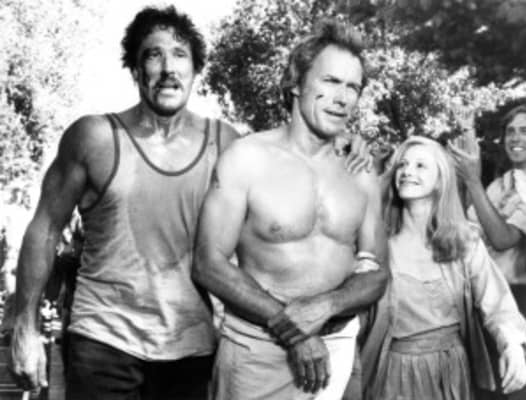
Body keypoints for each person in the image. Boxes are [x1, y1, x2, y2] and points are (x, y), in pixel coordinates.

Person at [8, 6, 240, 400]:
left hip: (191, 347)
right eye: (154, 55)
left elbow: (267, 222)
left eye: (179, 55)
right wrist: (25, 329)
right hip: (103, 342)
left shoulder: (225, 144)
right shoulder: (94, 137)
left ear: (195, 69)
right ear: (135, 69)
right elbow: (45, 229)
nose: (168, 68)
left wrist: (340, 151)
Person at [192, 20, 388, 400]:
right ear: (296, 82)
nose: (343, 98)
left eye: (353, 87)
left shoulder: (360, 171)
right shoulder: (247, 158)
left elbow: (378, 275)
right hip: (261, 349)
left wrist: (329, 304)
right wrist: (292, 329)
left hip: (339, 349)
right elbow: (208, 264)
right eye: (331, 81)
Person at [362, 135, 526, 400]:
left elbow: (497, 304)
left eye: (420, 165)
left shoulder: (465, 241)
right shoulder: (377, 244)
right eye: (402, 164)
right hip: (393, 374)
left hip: (453, 374)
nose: (407, 171)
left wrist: (511, 345)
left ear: (441, 180)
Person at [449, 104, 526, 399]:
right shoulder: (500, 184)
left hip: (521, 302)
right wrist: (466, 131)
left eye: (524, 131)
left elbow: (504, 239)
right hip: (490, 298)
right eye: (511, 131)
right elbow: (470, 228)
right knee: (491, 389)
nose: (515, 138)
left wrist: (472, 180)